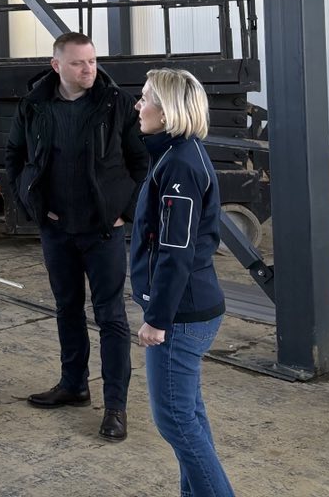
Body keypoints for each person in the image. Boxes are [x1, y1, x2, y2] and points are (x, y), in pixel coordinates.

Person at [5, 31, 148, 441]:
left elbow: (142, 162)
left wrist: (123, 212)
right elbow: (14, 157)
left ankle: (116, 406)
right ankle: (73, 385)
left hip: (103, 231)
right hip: (57, 230)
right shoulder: (34, 105)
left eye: (92, 61)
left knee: (111, 317)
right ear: (57, 66)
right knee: (67, 308)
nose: (88, 69)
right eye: (78, 63)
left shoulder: (117, 104)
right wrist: (35, 207)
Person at [131, 68, 234, 496]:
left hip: (181, 315)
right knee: (188, 416)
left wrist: (157, 318)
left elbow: (175, 252)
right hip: (188, 309)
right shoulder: (176, 155)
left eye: (145, 98)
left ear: (167, 109)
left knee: (174, 420)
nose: (138, 106)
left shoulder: (179, 165)